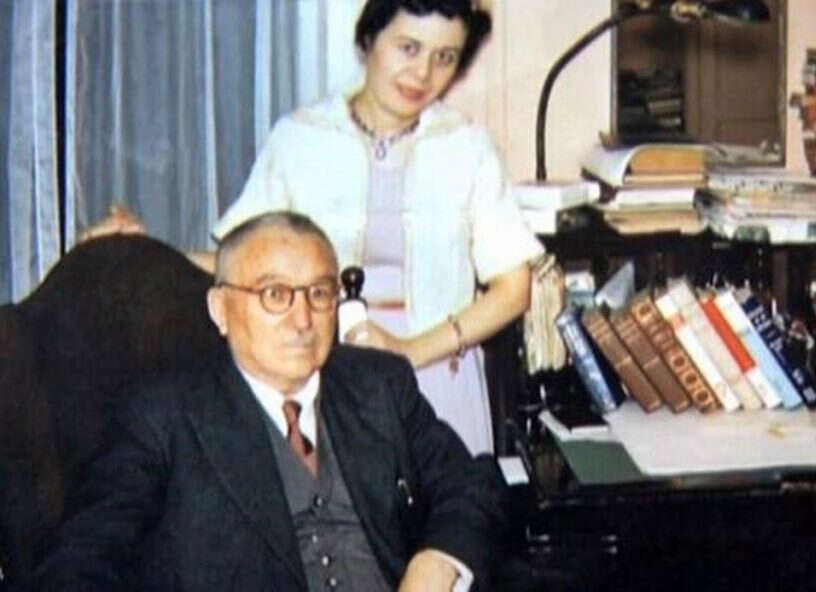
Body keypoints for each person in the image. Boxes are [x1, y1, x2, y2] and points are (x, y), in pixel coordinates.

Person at [88, 0, 544, 456]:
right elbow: (241, 260)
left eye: (444, 57)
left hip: (437, 377)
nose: (423, 73)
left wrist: (411, 351)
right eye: (408, 48)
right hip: (322, 375)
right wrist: (145, 248)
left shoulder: (468, 148)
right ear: (369, 40)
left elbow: (513, 288)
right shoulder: (301, 138)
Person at [37, 212, 507, 591]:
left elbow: (470, 484)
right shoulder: (163, 414)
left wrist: (437, 562)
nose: (302, 320)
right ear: (221, 310)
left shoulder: (377, 384)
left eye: (319, 294)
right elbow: (79, 560)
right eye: (275, 294)